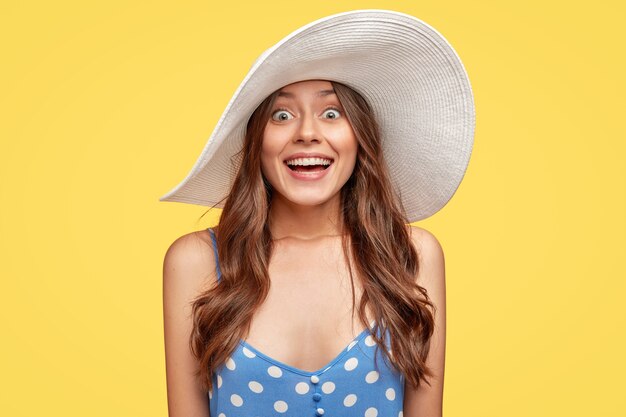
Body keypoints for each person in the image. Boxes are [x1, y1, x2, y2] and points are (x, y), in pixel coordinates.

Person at [160, 9, 475, 417]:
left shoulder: (412, 255)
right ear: (257, 140)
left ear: (360, 136)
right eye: (282, 114)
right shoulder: (196, 261)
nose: (307, 132)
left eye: (331, 113)